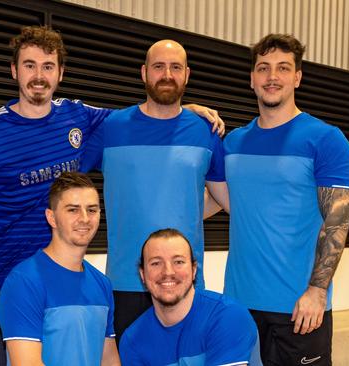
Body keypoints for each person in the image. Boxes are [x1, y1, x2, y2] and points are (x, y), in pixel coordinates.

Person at [0, 26, 224, 366]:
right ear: (14, 70)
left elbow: (147, 115)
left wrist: (183, 106)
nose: (38, 75)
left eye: (47, 66)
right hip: (6, 271)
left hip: (67, 276)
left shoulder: (81, 118)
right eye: (29, 65)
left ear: (60, 72)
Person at [81, 39, 230, 340]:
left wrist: (188, 211)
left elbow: (227, 199)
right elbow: (66, 182)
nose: (167, 74)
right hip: (126, 284)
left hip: (184, 283)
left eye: (175, 67)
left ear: (186, 74)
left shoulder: (205, 132)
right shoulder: (112, 128)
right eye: (158, 66)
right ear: (144, 72)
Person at [222, 33, 349, 366]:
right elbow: (218, 202)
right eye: (263, 68)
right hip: (238, 307)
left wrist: (317, 291)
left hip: (299, 309)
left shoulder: (326, 140)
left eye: (283, 68)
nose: (272, 76)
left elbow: (337, 223)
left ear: (297, 77)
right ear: (252, 78)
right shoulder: (233, 143)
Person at [0, 172, 120, 366]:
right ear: (51, 218)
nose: (85, 218)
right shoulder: (23, 282)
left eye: (92, 210)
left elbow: (109, 360)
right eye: (73, 210)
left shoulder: (102, 284)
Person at [120, 228, 258, 366]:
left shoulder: (228, 315)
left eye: (178, 262)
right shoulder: (133, 340)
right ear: (143, 275)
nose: (168, 271)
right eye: (156, 263)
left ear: (193, 270)